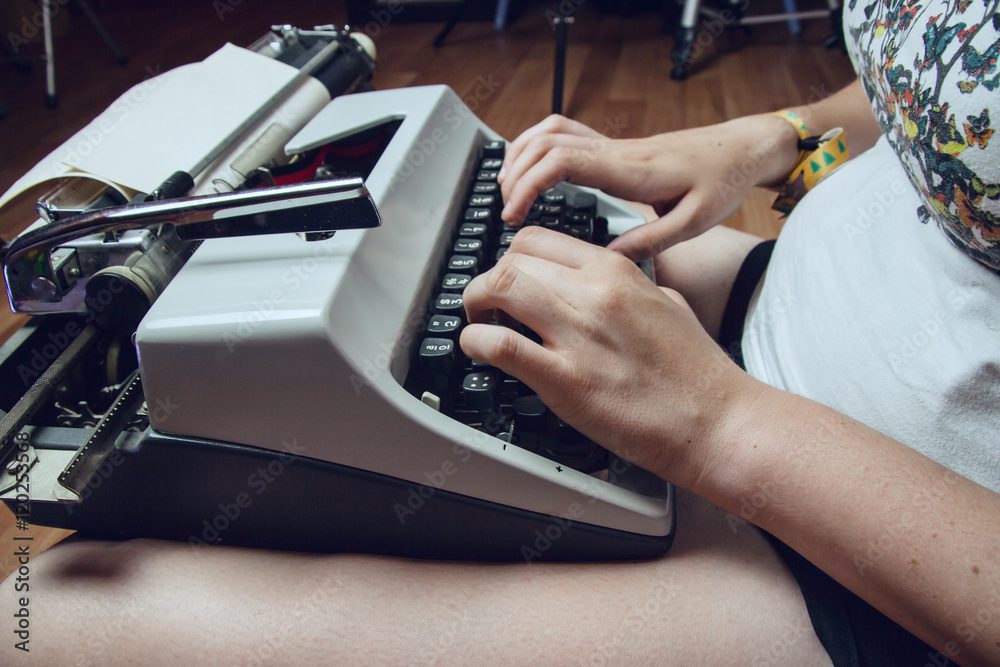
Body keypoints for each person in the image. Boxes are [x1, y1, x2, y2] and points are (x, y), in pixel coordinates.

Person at [4, 0, 998, 664]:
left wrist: (722, 424)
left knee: (51, 612)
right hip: (768, 299)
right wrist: (769, 135)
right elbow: (922, 93)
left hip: (890, 558)